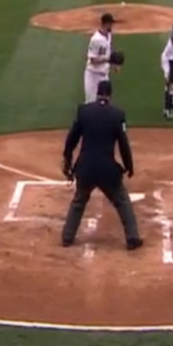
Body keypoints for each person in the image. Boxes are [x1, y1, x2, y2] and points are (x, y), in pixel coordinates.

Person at [61, 79, 143, 250]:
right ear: (110, 95)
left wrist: (68, 162)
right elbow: (123, 144)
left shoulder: (84, 111)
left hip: (85, 168)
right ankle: (133, 237)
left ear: (97, 93)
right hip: (107, 170)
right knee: (121, 200)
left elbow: (71, 140)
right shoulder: (117, 115)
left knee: (79, 201)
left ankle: (67, 237)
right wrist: (129, 167)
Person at [84, 12, 115, 103]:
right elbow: (93, 59)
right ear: (107, 24)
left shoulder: (108, 35)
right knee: (91, 102)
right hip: (93, 76)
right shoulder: (95, 39)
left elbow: (108, 49)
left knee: (105, 103)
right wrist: (109, 59)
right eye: (111, 24)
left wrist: (113, 64)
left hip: (104, 75)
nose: (112, 26)